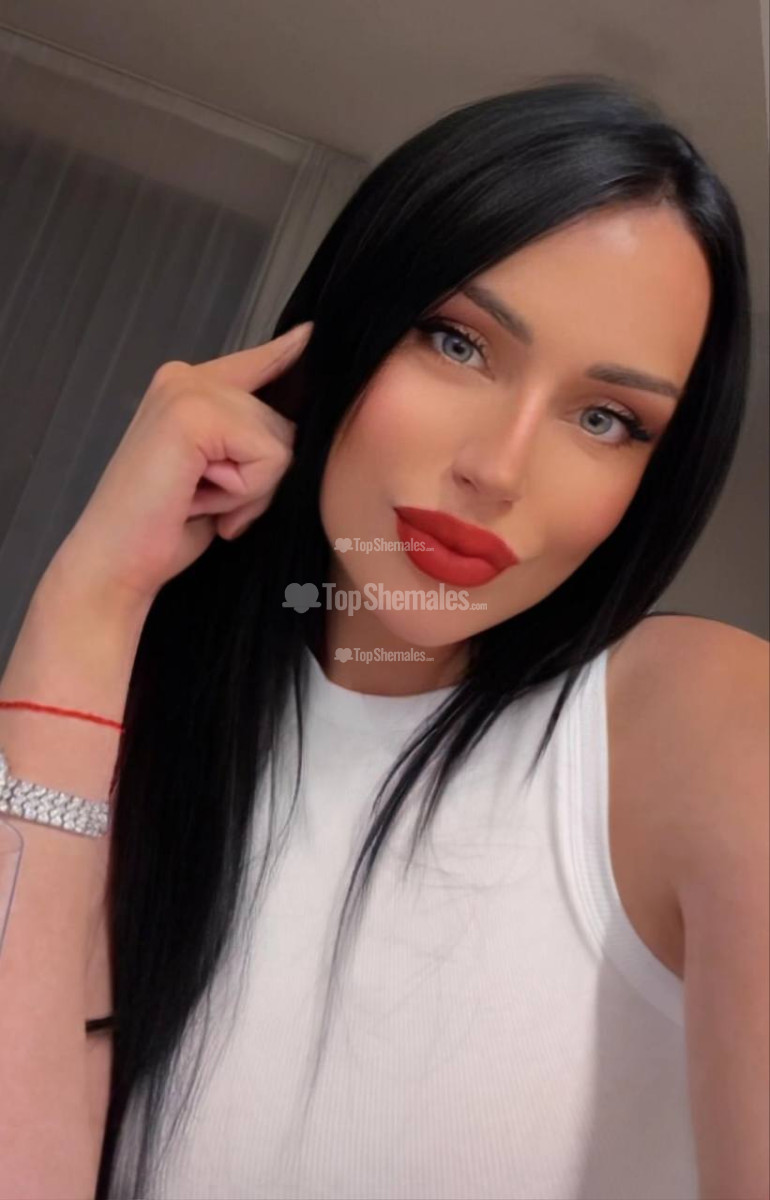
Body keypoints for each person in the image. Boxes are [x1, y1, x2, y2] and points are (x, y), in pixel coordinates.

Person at [0, 75, 767, 1200]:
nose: (497, 469)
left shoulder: (708, 720)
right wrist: (88, 601)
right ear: (342, 334)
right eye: (458, 343)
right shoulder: (143, 731)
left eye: (605, 418)